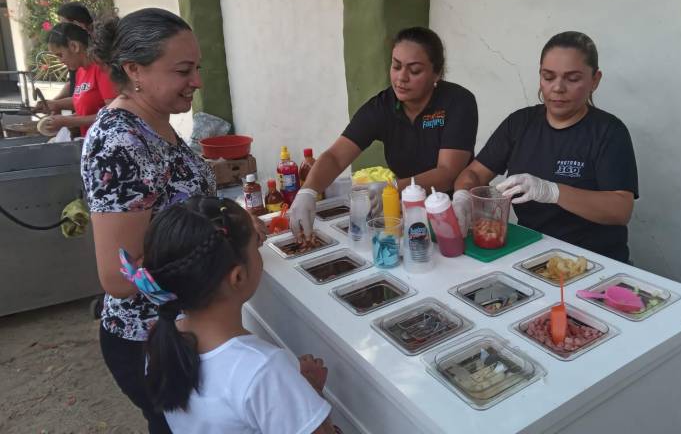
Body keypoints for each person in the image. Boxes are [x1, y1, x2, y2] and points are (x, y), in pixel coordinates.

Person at [81, 8, 220, 433]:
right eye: (183, 70)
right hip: (149, 339)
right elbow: (121, 277)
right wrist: (217, 240)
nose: (196, 81)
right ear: (134, 70)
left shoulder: (155, 122)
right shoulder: (120, 142)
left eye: (196, 68)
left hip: (180, 327)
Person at [120, 196, 336, 433]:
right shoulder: (265, 370)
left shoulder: (163, 340)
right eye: (256, 246)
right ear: (238, 277)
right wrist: (310, 391)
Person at [452, 31, 638, 262]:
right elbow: (474, 173)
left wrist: (551, 191)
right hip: (530, 251)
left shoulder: (609, 131)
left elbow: (620, 210)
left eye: (572, 79)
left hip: (594, 260)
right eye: (548, 77)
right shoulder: (520, 123)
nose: (558, 88)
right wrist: (462, 197)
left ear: (595, 80)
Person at [290, 27, 479, 237]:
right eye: (396, 66)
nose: (401, 77)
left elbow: (447, 173)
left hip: (456, 213)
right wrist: (308, 191)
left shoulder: (458, 102)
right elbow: (335, 156)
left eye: (414, 70)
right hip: (409, 212)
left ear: (437, 73)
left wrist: (393, 187)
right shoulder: (381, 107)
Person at [36, 22, 116, 136]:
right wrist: (56, 104)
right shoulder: (80, 71)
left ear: (74, 46)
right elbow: (82, 101)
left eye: (60, 55)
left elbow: (114, 113)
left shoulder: (101, 69)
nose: (60, 61)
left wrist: (68, 121)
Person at [54, 1, 94, 99]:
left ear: (77, 24)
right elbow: (72, 83)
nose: (61, 30)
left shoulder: (99, 55)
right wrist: (55, 102)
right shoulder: (72, 52)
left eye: (63, 25)